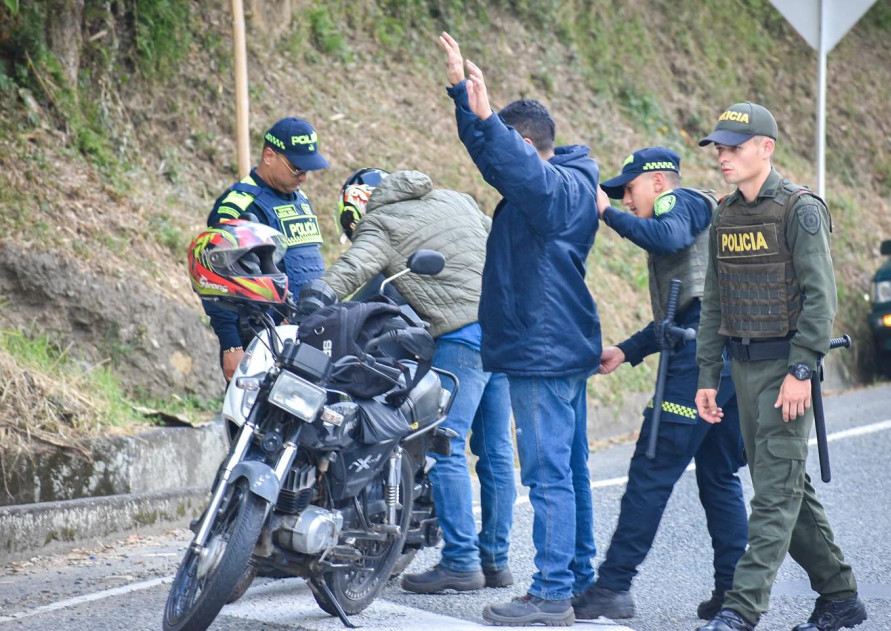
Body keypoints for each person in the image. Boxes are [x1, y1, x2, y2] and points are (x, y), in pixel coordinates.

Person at [438, 32, 601, 627]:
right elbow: (494, 160)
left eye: (509, 144)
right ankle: (579, 580)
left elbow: (519, 172)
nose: (499, 162)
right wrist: (463, 96)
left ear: (528, 145)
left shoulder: (558, 189)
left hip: (543, 351)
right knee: (570, 469)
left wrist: (486, 116)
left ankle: (553, 593)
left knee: (549, 474)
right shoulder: (563, 181)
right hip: (558, 346)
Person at [694, 102, 867, 631]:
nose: (724, 157)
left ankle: (740, 612)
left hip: (786, 367)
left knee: (773, 494)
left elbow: (821, 298)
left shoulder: (800, 210)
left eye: (735, 147)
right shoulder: (725, 214)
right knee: (786, 485)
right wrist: (707, 375)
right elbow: (715, 305)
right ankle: (840, 597)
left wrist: (801, 371)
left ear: (765, 149)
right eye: (719, 148)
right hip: (742, 370)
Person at [320, 168, 517, 593]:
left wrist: (316, 296)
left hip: (461, 338)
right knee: (496, 450)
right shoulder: (454, 198)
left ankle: (461, 562)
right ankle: (496, 561)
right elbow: (502, 246)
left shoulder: (382, 222)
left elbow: (356, 268)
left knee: (444, 446)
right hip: (503, 331)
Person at [572, 147, 748, 622]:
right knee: (717, 474)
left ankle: (612, 587)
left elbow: (667, 238)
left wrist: (604, 213)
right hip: (736, 359)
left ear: (656, 182)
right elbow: (685, 311)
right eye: (617, 195)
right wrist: (626, 351)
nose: (625, 200)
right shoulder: (702, 219)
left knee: (653, 467)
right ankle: (733, 594)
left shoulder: (679, 202)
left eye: (628, 190)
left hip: (702, 364)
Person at [204, 117, 329, 381]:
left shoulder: (299, 199)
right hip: (261, 337)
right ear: (269, 156)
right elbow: (215, 281)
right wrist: (232, 345)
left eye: (308, 169)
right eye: (297, 168)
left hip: (305, 331)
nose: (304, 177)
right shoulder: (238, 206)